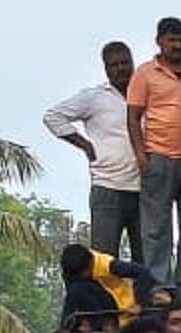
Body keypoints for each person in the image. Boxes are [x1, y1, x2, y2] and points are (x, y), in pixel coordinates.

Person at [43, 41, 145, 263]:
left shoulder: (147, 95)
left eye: (124, 63)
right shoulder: (94, 97)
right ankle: (105, 299)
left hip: (145, 189)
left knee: (148, 262)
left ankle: (145, 299)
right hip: (108, 188)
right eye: (113, 65)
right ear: (106, 69)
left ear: (133, 63)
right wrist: (84, 144)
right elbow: (53, 117)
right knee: (104, 261)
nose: (120, 69)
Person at [125, 17, 181, 286]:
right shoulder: (145, 73)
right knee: (157, 228)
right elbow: (133, 117)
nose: (177, 45)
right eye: (172, 40)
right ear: (159, 41)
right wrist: (141, 156)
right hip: (158, 156)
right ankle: (159, 285)